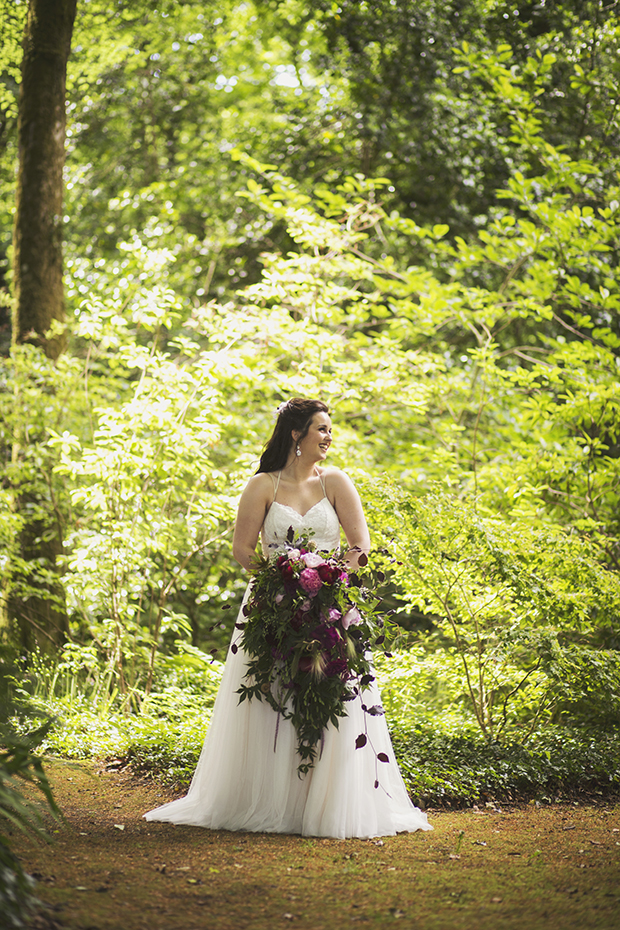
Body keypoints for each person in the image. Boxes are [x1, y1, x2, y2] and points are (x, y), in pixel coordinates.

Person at [144, 398, 431, 839]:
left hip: (331, 606)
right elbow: (243, 549)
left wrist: (329, 579)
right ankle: (273, 801)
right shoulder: (263, 485)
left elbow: (360, 547)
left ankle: (327, 803)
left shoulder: (335, 480)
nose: (328, 436)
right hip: (272, 607)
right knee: (272, 694)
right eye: (321, 429)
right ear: (296, 435)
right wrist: (281, 583)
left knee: (329, 693)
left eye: (330, 429)